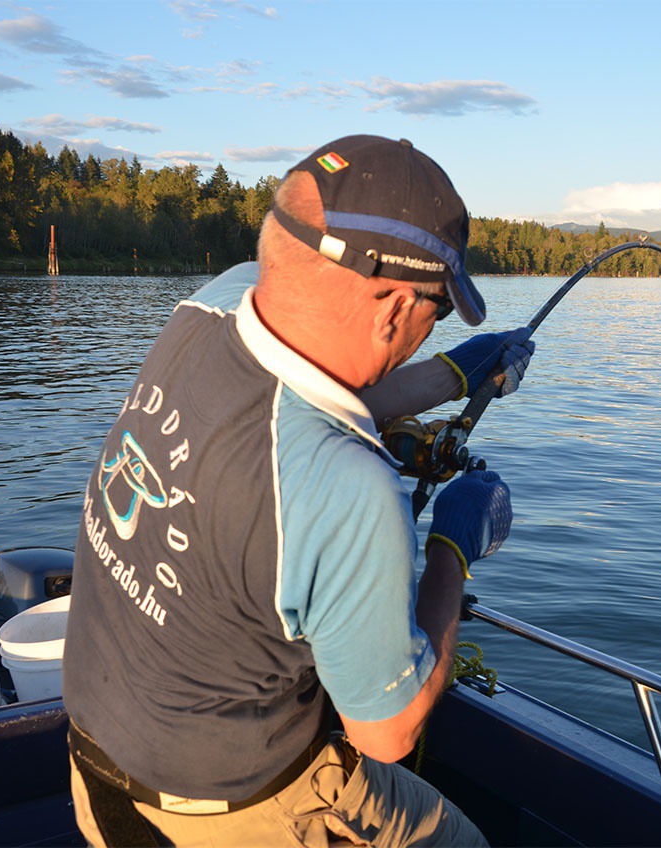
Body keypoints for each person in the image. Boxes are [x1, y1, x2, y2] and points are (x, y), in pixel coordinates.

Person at [62, 134, 533, 847]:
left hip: (95, 771)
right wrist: (450, 549)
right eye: (437, 312)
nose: (431, 328)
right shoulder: (351, 492)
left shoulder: (213, 306)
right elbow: (387, 731)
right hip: (231, 812)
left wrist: (455, 372)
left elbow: (300, 400)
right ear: (391, 309)